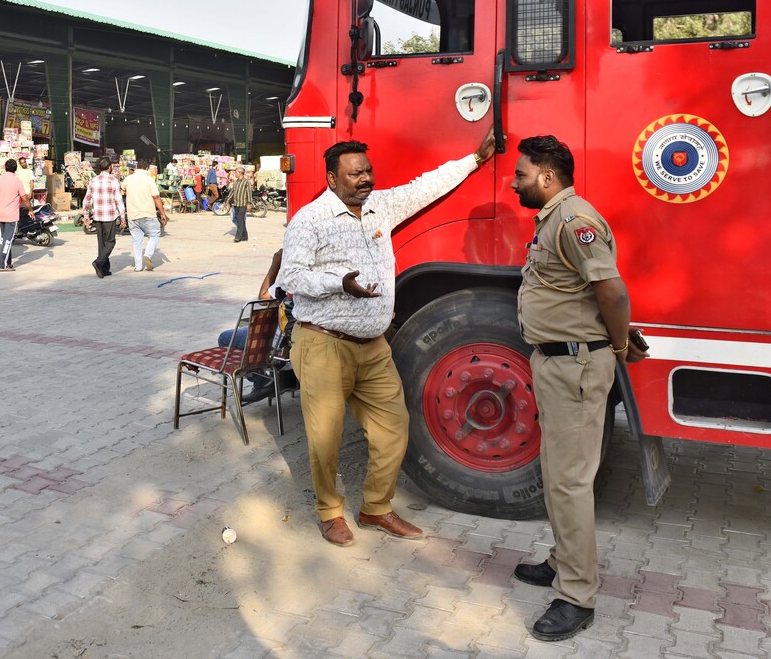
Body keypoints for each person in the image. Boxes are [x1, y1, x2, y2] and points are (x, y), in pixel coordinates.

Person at [276, 131, 496, 548]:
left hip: (374, 347)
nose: (364, 179)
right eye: (354, 174)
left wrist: (473, 160)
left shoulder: (381, 207)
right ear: (331, 179)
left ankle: (376, 507)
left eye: (367, 171)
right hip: (324, 343)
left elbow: (424, 187)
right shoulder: (311, 220)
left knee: (394, 428)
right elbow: (291, 276)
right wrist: (339, 282)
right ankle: (329, 511)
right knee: (326, 436)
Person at [508, 134, 647, 642]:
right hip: (556, 364)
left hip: (577, 368)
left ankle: (577, 595)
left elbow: (610, 289)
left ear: (547, 177)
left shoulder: (574, 221)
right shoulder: (553, 219)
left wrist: (616, 345)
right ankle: (563, 560)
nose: (515, 181)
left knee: (570, 482)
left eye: (522, 174)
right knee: (556, 474)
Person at [217, 248, 299, 404]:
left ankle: (262, 381)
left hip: (275, 344)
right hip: (293, 341)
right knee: (247, 329)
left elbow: (263, 298)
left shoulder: (289, 282)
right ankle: (275, 377)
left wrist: (275, 264)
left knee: (224, 338)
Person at [82, 156, 127, 278]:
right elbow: (119, 200)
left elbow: (86, 200)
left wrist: (86, 215)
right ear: (109, 167)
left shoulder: (93, 180)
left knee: (102, 243)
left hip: (98, 216)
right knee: (110, 242)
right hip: (110, 215)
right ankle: (98, 262)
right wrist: (123, 217)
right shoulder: (113, 180)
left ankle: (104, 270)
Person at [122, 154, 168, 272]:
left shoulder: (128, 179)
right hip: (148, 214)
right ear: (147, 168)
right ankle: (147, 255)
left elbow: (122, 190)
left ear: (136, 167)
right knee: (154, 234)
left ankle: (138, 266)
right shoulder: (149, 179)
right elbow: (156, 196)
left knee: (136, 240)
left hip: (133, 215)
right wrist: (162, 213)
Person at [0, 158, 25, 271]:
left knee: (5, 239)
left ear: (5, 167)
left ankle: (8, 262)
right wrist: (30, 210)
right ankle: (2, 264)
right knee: (8, 240)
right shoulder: (17, 181)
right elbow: (24, 198)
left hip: (0, 214)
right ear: (15, 169)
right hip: (11, 216)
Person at [229, 166, 255, 243]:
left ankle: (238, 236)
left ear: (240, 173)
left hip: (243, 204)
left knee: (240, 219)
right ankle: (245, 236)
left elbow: (249, 193)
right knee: (240, 220)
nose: (235, 174)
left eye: (236, 172)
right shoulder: (236, 182)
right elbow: (232, 192)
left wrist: (249, 204)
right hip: (236, 203)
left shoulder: (246, 182)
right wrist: (227, 200)